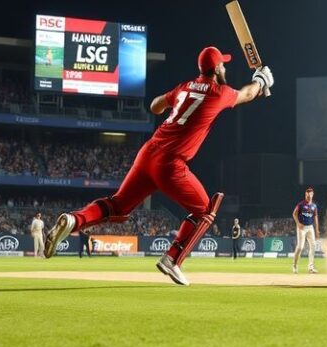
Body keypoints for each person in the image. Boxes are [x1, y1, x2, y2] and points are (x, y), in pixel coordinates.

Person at [43, 45, 274, 286]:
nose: (225, 67)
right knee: (205, 210)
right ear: (216, 68)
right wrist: (260, 80)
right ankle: (172, 260)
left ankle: (74, 220)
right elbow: (246, 94)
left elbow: (154, 106)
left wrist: (171, 105)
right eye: (223, 64)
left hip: (148, 153)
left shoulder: (184, 87)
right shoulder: (219, 92)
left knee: (118, 205)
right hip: (170, 164)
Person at [292, 187, 319, 274]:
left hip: (310, 227)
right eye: (307, 195)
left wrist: (317, 229)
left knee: (313, 245)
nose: (308, 197)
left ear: (312, 195)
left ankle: (311, 267)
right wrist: (298, 223)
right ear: (305, 195)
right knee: (300, 247)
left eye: (310, 195)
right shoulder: (301, 204)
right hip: (302, 228)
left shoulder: (314, 206)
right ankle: (294, 265)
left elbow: (315, 217)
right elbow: (294, 214)